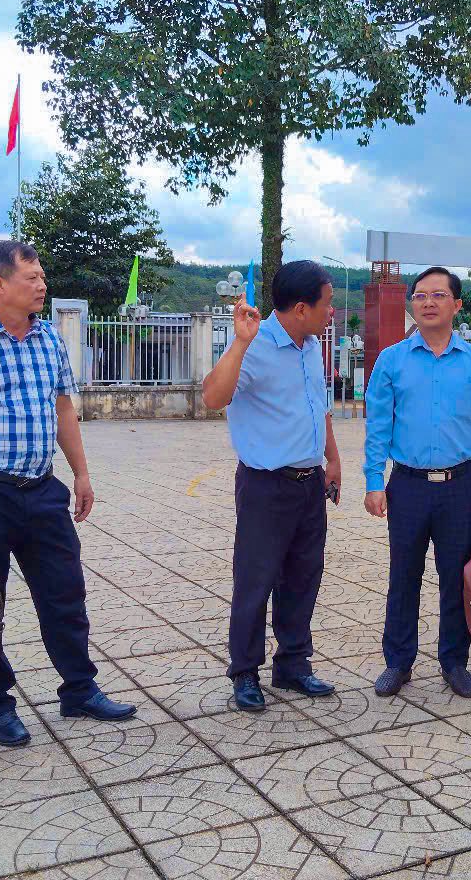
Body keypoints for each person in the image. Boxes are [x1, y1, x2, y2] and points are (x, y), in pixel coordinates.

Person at [0, 240, 136, 747]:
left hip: (42, 488)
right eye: (32, 277)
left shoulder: (50, 341)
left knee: (65, 593)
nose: (42, 285)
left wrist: (81, 474)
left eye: (42, 276)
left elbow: (64, 411)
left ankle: (79, 689)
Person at [202, 261, 341, 713]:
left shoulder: (311, 346)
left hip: (309, 483)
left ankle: (293, 664)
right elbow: (213, 397)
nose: (332, 311)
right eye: (327, 303)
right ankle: (244, 672)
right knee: (255, 580)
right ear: (301, 308)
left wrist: (333, 458)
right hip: (266, 486)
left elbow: (318, 406)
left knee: (303, 577)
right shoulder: (255, 344)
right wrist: (240, 342)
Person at [364, 267, 471, 699]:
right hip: (406, 485)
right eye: (420, 295)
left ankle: (454, 662)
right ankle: (398, 662)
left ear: (456, 304)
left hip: (460, 487)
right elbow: (378, 424)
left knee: (456, 577)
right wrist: (374, 480)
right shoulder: (392, 361)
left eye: (438, 295)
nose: (427, 302)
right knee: (403, 575)